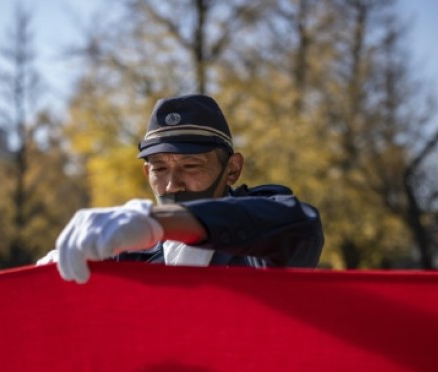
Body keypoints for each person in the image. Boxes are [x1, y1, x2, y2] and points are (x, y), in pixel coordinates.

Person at [41, 94, 323, 284]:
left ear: (232, 169)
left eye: (191, 166)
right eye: (159, 169)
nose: (171, 184)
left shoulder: (261, 224)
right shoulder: (127, 247)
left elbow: (299, 226)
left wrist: (159, 222)